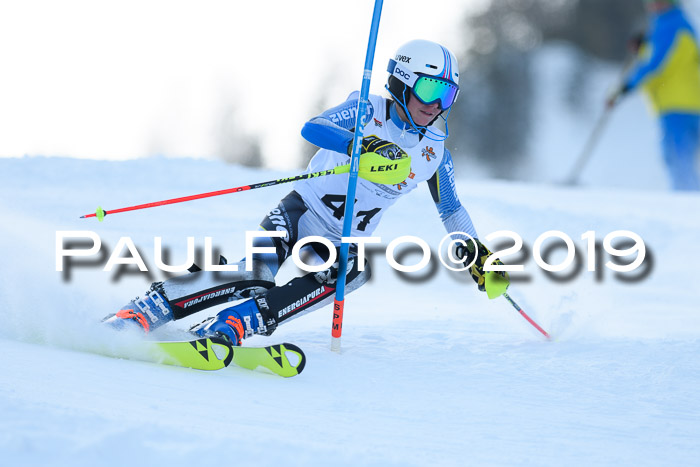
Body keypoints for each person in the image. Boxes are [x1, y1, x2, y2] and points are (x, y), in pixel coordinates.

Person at [103, 39, 510, 345]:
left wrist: (477, 253)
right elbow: (314, 127)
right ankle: (145, 310)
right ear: (402, 83)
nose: (436, 104)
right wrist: (359, 145)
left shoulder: (434, 152)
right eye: (429, 90)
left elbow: (451, 209)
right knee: (255, 273)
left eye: (447, 94)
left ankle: (236, 322)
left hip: (339, 240)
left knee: (353, 271)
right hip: (299, 213)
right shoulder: (367, 110)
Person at [608, 0, 700, 191]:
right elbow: (669, 57)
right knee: (684, 161)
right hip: (689, 102)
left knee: (677, 160)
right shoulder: (679, 23)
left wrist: (626, 86)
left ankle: (686, 207)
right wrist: (644, 45)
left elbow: (656, 64)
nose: (653, 5)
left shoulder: (668, 24)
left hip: (677, 104)